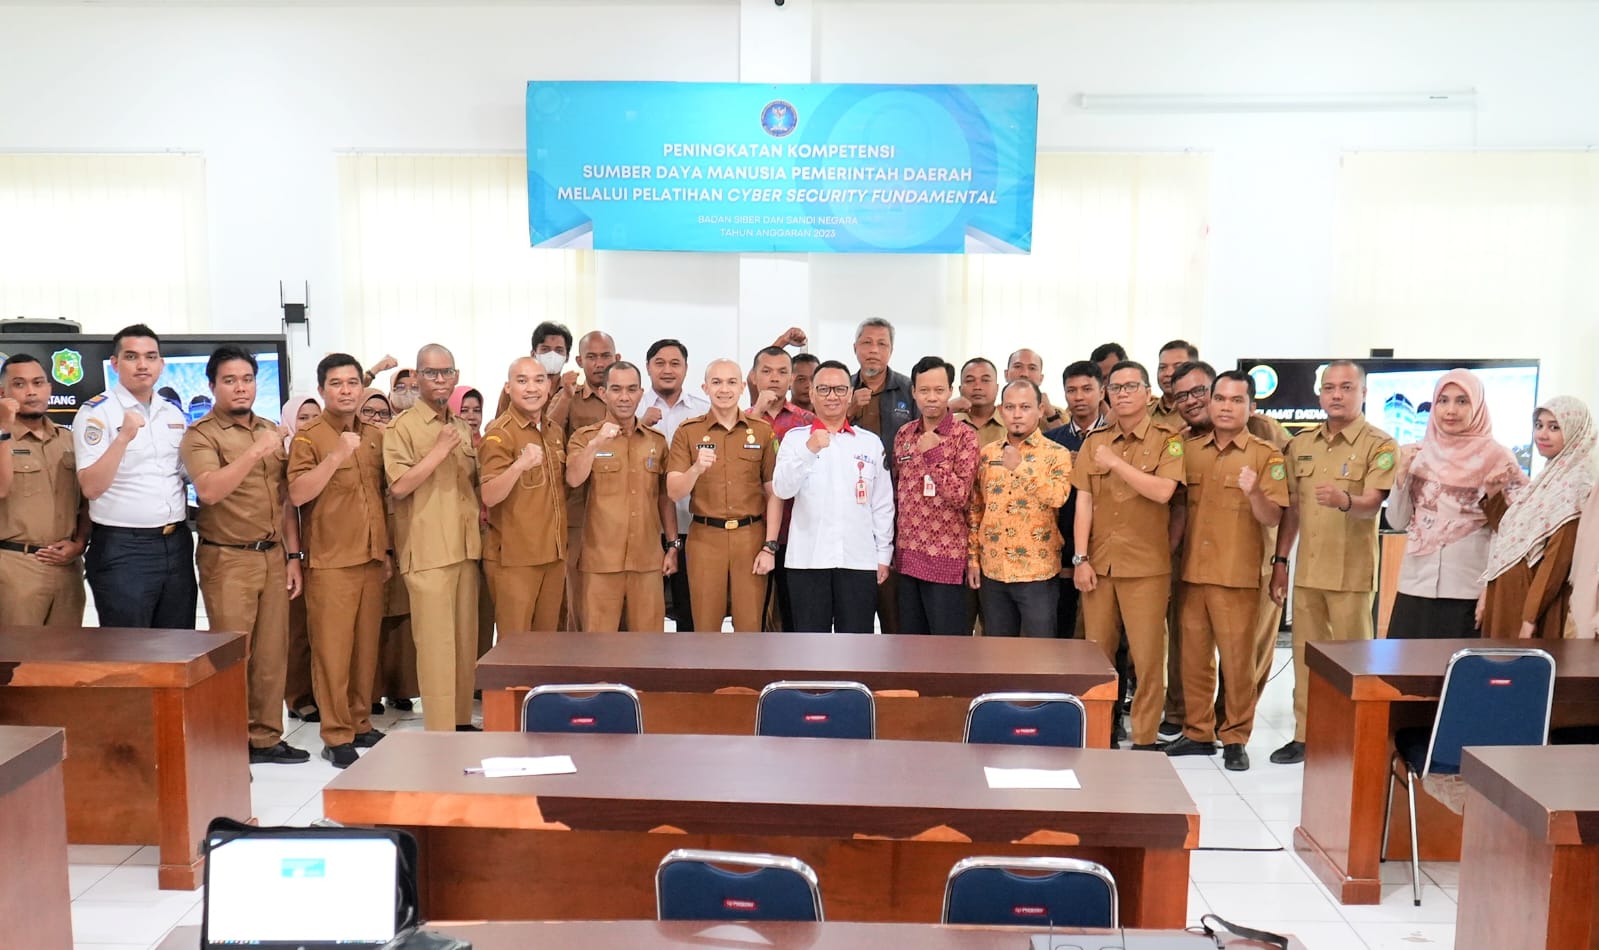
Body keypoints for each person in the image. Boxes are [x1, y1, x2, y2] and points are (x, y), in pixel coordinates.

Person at [180, 346, 309, 765]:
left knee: (272, 654)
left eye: (248, 379)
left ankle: (266, 738)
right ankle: (229, 742)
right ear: (213, 385)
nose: (241, 388)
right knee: (234, 655)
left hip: (272, 555)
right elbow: (209, 491)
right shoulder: (201, 434)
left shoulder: (268, 428)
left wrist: (293, 555)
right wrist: (255, 452)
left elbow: (285, 500)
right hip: (228, 558)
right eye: (230, 380)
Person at [1268, 360, 1396, 765]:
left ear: (1363, 393)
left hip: (1351, 576)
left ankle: (1354, 736)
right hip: (1307, 573)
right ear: (1320, 394)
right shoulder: (1301, 444)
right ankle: (1305, 736)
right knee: (1306, 660)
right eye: (1329, 388)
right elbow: (1292, 510)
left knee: (1354, 663)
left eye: (1346, 387)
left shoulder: (1379, 444)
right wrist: (1280, 561)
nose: (1336, 395)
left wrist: (1344, 500)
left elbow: (1372, 504)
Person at [1165, 371, 1288, 771]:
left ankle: (1235, 737)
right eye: (1219, 398)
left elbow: (1273, 516)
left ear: (1251, 407)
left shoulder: (1265, 455)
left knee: (1237, 663)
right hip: (1192, 572)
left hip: (1237, 574)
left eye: (1236, 400)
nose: (1226, 407)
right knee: (1194, 659)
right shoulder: (1189, 450)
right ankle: (1199, 732)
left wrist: (1254, 492)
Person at [1071, 361, 1184, 750]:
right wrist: (1080, 558)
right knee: (1098, 657)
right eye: (1115, 387)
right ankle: (1100, 733)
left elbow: (1164, 492)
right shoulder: (1095, 441)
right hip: (1099, 565)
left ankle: (1146, 737)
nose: (1122, 394)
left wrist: (1117, 463)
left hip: (1146, 568)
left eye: (1130, 386)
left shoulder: (1168, 440)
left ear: (1149, 394)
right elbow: (1084, 501)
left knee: (1147, 659)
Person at [287, 353, 390, 768]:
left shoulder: (374, 434)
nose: (346, 391)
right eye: (336, 383)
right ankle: (336, 734)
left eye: (352, 383)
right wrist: (335, 457)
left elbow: (382, 496)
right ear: (321, 390)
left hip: (370, 557)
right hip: (330, 562)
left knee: (365, 650)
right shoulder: (310, 437)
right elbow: (297, 494)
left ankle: (360, 722)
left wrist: (385, 552)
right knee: (332, 653)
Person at [1386, 370, 1526, 640]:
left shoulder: (1497, 458)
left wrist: (1490, 587)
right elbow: (1397, 521)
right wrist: (1401, 474)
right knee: (1407, 665)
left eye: (1462, 401)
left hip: (1467, 588)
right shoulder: (1418, 454)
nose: (1451, 410)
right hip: (1415, 584)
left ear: (1478, 406)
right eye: (1443, 401)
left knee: (1460, 666)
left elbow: (1508, 531)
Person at [385, 344, 482, 732]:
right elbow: (398, 486)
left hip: (464, 548)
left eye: (446, 372)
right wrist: (439, 451)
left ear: (456, 376)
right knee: (436, 649)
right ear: (417, 377)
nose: (439, 380)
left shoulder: (461, 425)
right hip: (427, 552)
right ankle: (440, 732)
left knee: (464, 645)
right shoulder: (402, 427)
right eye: (430, 373)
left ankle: (460, 722)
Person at [74, 323, 197, 629]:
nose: (143, 365)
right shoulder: (96, 413)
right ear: (115, 364)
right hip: (124, 548)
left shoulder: (172, 413)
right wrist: (123, 437)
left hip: (177, 543)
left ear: (161, 364)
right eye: (132, 357)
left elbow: (183, 474)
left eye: (150, 357)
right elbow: (91, 487)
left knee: (179, 644)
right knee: (129, 647)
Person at [774, 360, 894, 633]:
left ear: (850, 394)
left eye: (840, 389)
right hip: (808, 560)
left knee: (856, 644)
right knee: (809, 645)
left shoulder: (869, 443)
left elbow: (882, 504)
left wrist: (883, 554)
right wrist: (809, 450)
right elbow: (782, 489)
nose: (832, 396)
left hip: (858, 560)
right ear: (812, 393)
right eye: (824, 389)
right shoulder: (795, 439)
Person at [668, 358, 781, 632]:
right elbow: (673, 491)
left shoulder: (762, 431)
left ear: (742, 387)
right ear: (705, 387)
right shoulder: (688, 431)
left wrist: (769, 546)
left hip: (750, 537)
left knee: (750, 626)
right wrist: (696, 469)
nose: (724, 389)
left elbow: (774, 494)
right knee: (705, 627)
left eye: (731, 382)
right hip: (706, 538)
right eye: (716, 382)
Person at [566, 361, 676, 632]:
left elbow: (664, 497)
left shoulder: (656, 441)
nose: (624, 397)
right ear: (603, 393)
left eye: (631, 389)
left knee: (648, 646)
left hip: (647, 561)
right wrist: (596, 444)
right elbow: (573, 478)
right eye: (616, 389)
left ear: (641, 393)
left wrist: (673, 545)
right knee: (598, 646)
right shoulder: (584, 437)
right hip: (600, 561)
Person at [1480, 397, 1594, 639]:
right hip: (1513, 596)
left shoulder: (1575, 483)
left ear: (1575, 431)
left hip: (1531, 601)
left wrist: (1529, 618)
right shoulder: (1549, 479)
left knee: (1522, 661)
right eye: (1539, 425)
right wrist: (1494, 494)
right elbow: (1514, 535)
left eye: (1554, 427)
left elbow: (1557, 558)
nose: (1542, 434)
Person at [969, 379, 1073, 637]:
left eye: (1025, 407)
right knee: (998, 651)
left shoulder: (1057, 453)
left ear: (1040, 410)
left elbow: (1058, 496)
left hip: (1037, 571)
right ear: (1001, 410)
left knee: (1040, 651)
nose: (1017, 414)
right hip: (993, 569)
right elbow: (976, 508)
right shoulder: (987, 453)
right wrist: (973, 559)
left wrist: (1021, 468)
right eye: (1010, 407)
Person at [894, 356, 981, 635]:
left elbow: (960, 495)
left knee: (946, 647)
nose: (931, 397)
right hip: (907, 557)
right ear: (913, 392)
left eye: (939, 390)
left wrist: (933, 454)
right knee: (910, 644)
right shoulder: (904, 434)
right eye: (924, 390)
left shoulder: (965, 436)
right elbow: (897, 491)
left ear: (950, 391)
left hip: (946, 559)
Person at [480, 357, 568, 635]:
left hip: (553, 554)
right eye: (522, 381)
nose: (532, 388)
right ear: (508, 388)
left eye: (539, 380)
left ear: (549, 386)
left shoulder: (554, 430)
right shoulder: (499, 433)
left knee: (547, 643)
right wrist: (518, 466)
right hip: (515, 559)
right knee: (515, 644)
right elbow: (489, 495)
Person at [0, 353, 88, 625]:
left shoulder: (68, 439)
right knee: (15, 650)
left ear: (49, 389)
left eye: (38, 383)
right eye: (19, 384)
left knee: (66, 650)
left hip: (67, 568)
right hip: (14, 568)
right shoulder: (2, 438)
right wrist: (3, 429)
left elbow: (87, 501)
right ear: (3, 393)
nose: (31, 392)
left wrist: (79, 544)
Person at [1156, 359, 1217, 741]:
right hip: (1186, 558)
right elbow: (1174, 504)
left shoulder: (1261, 433)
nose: (1191, 401)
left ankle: (1230, 727)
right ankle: (1187, 718)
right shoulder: (1177, 444)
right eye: (1181, 396)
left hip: (1241, 562)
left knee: (1243, 654)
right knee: (1186, 644)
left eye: (1198, 391)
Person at [849, 318, 916, 635]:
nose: (873, 350)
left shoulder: (907, 389)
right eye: (867, 343)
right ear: (855, 348)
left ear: (891, 350)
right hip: (851, 508)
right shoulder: (841, 388)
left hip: (899, 507)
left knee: (894, 608)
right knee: (855, 606)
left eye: (881, 344)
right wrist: (849, 408)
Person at [640, 339, 710, 631]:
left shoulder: (704, 411)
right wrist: (640, 424)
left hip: (695, 526)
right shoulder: (633, 410)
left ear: (686, 368)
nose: (667, 370)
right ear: (648, 367)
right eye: (660, 363)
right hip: (645, 528)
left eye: (675, 363)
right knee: (644, 616)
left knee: (691, 614)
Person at [746, 345, 815, 630]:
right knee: (751, 615)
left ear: (791, 379)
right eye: (766, 371)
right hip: (749, 528)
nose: (774, 378)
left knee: (793, 615)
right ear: (753, 377)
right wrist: (757, 411)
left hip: (795, 530)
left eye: (782, 372)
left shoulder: (807, 422)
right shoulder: (740, 419)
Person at [360, 390, 417, 714]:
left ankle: (399, 688)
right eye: (369, 412)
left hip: (400, 537)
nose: (376, 419)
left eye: (383, 413)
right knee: (371, 622)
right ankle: (368, 693)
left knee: (400, 619)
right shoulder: (353, 447)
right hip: (367, 541)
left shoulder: (396, 445)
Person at [561, 330, 619, 630]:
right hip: (580, 511)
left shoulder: (629, 396)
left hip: (621, 513)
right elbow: (548, 435)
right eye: (592, 357)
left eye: (605, 356)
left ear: (616, 357)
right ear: (579, 360)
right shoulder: (569, 399)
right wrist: (563, 396)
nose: (599, 363)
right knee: (581, 601)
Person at [1045, 361, 1108, 638]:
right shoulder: (1050, 441)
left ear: (1102, 392)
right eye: (1072, 390)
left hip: (1104, 545)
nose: (1079, 397)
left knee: (1103, 631)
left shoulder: (1115, 439)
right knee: (1062, 625)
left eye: (1087, 389)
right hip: (1060, 544)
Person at [449, 384, 496, 657]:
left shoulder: (490, 444)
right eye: (464, 409)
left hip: (489, 538)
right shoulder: (447, 448)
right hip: (458, 540)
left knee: (486, 613)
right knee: (461, 614)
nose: (471, 416)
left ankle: (483, 669)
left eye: (476, 410)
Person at [1005, 349, 1065, 429]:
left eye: (1032, 368)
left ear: (1041, 378)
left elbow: (1067, 437)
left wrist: (1051, 415)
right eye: (1018, 366)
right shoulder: (994, 414)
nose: (1024, 374)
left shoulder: (1058, 414)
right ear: (1006, 374)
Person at [954, 357, 1004, 447]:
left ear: (997, 388)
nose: (977, 387)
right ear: (960, 389)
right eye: (970, 381)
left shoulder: (1011, 425)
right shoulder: (949, 425)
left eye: (985, 380)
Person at [1151, 340, 1198, 432]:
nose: (1168, 373)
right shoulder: (1144, 413)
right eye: (1162, 367)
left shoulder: (1202, 413)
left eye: (1177, 367)